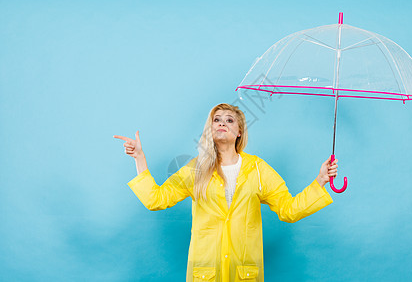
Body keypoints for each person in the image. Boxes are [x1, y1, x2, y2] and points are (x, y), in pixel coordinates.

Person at [114, 103, 337, 282]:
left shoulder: (258, 169)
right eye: (217, 120)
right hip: (206, 273)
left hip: (244, 274)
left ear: (239, 131)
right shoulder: (196, 169)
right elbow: (156, 199)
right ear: (210, 129)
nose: (222, 123)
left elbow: (289, 210)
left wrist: (320, 181)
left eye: (229, 120)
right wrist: (139, 158)